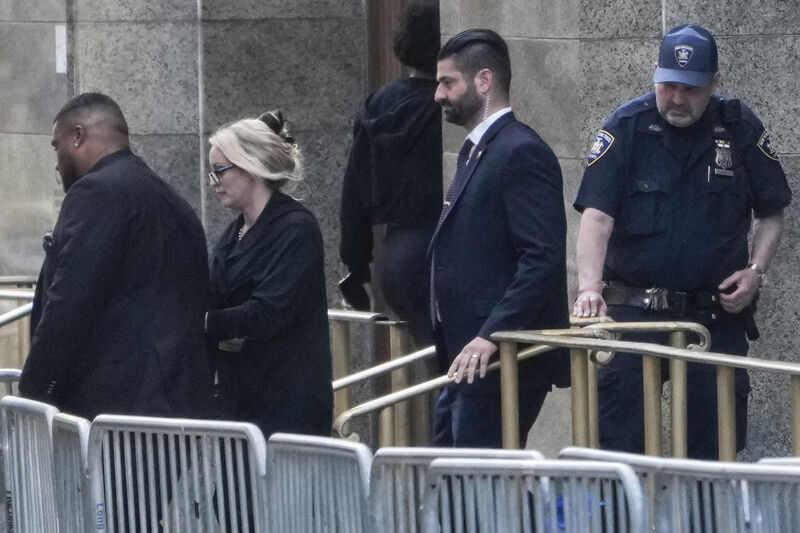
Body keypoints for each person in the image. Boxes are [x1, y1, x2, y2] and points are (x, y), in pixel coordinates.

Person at [573, 24, 791, 458]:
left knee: (713, 451)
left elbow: (771, 212)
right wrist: (588, 288)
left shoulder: (739, 127)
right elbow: (596, 217)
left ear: (714, 82)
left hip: (713, 316)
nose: (676, 98)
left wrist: (755, 272)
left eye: (690, 89)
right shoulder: (627, 126)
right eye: (668, 85)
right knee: (619, 446)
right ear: (655, 76)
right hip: (636, 316)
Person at [19, 92, 213, 419]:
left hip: (117, 409)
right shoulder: (171, 200)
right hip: (176, 404)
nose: (56, 161)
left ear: (78, 135)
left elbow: (70, 300)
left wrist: (33, 392)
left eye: (56, 146)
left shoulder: (97, 192)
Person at [429, 29, 570, 448]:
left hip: (501, 359)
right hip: (468, 358)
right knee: (453, 473)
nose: (438, 94)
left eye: (448, 82)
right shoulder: (480, 149)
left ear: (484, 81)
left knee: (481, 478)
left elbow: (541, 259)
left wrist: (491, 334)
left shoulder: (520, 151)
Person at [205, 112, 333, 439]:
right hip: (239, 399)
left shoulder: (296, 228)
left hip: (286, 403)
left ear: (250, 167)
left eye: (219, 170)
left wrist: (204, 322)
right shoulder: (234, 232)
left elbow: (269, 311)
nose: (213, 181)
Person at [339, 0, 442, 346]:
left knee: (432, 360)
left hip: (393, 252)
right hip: (436, 247)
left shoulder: (376, 104)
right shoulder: (445, 109)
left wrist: (357, 266)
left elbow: (353, 194)